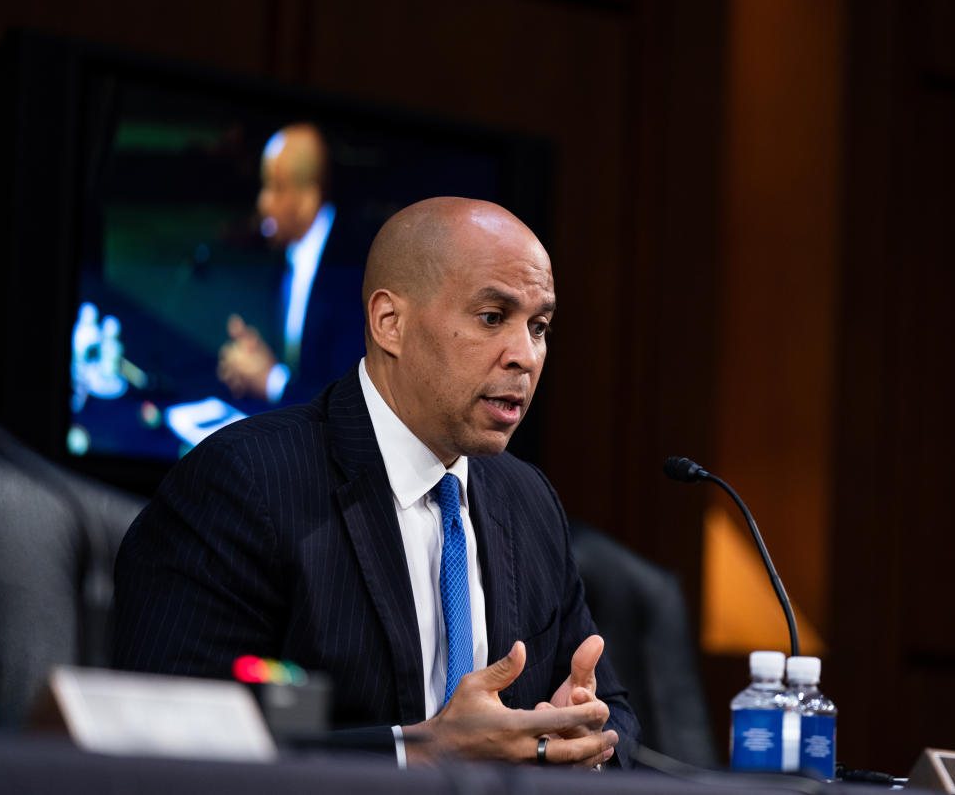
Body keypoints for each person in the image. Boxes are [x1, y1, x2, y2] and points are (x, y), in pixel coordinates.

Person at [114, 197, 638, 767]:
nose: (525, 356)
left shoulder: (529, 500)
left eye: (539, 327)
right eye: (492, 318)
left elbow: (619, 719)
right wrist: (417, 753)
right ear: (390, 322)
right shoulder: (245, 482)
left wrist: (581, 737)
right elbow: (163, 743)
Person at [218, 123, 364, 404]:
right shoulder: (287, 255)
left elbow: (349, 405)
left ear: (307, 200)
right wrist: (257, 360)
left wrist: (272, 382)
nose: (262, 202)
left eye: (275, 188)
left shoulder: (352, 273)